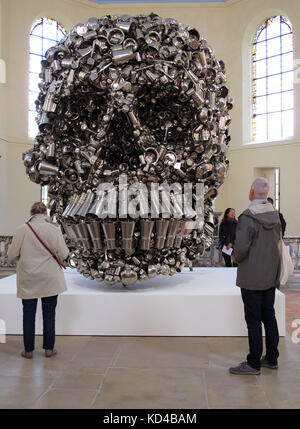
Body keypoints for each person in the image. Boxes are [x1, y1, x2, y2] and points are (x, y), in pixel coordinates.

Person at [230, 178, 281, 375]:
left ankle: (253, 363)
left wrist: (235, 256)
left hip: (251, 276)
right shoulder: (275, 215)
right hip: (269, 275)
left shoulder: (247, 216)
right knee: (269, 317)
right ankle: (271, 358)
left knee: (253, 320)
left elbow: (241, 248)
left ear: (252, 193)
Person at [7, 202, 69, 359]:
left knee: (28, 314)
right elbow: (63, 254)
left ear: (31, 213)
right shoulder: (54, 229)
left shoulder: (22, 230)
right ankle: (49, 349)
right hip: (49, 278)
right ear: (46, 212)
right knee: (49, 314)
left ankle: (28, 351)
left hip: (29, 277)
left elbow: (12, 254)